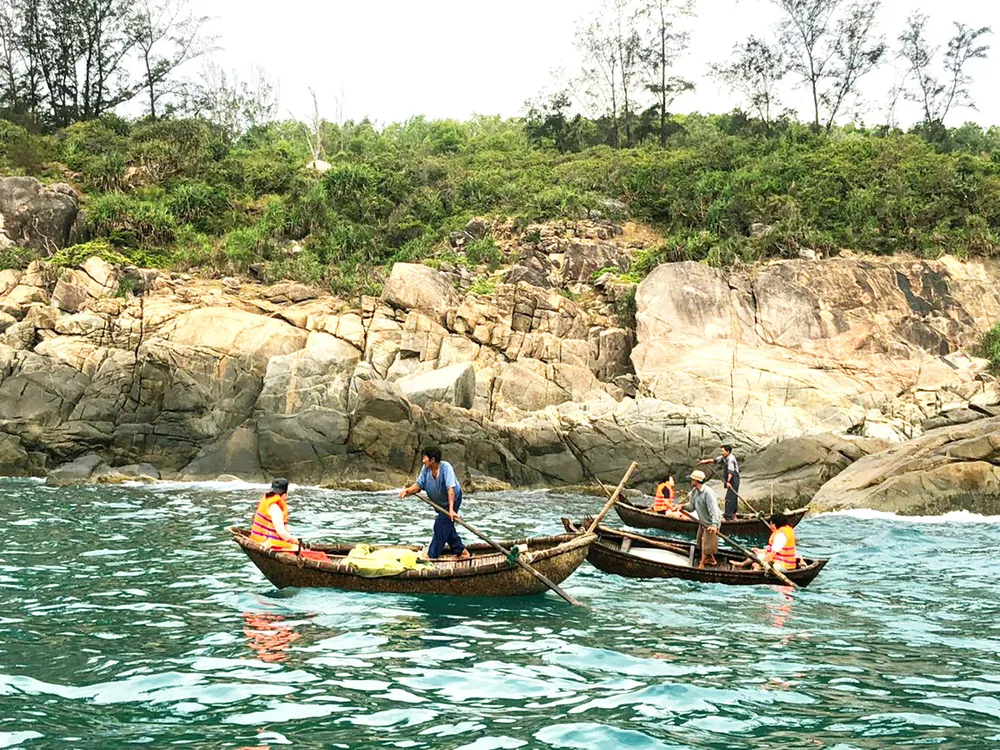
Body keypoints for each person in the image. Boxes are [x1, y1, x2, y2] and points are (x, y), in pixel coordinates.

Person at [398, 446, 471, 560]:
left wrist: (451, 510)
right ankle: (462, 552)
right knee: (446, 527)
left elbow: (450, 489)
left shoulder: (446, 468)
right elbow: (418, 485)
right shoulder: (426, 469)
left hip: (453, 500)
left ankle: (432, 556)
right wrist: (407, 491)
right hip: (440, 504)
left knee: (439, 525)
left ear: (432, 460)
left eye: (425, 458)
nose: (423, 461)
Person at [248, 478, 328, 561]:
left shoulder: (266, 501)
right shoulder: (276, 508)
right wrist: (293, 540)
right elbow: (281, 532)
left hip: (257, 539)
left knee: (297, 547)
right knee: (301, 550)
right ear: (284, 495)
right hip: (267, 542)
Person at [678, 469, 721, 568]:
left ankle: (701, 565)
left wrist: (714, 525)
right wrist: (682, 506)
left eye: (692, 479)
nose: (691, 481)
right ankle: (712, 560)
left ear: (696, 481)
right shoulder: (694, 491)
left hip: (710, 523)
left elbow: (714, 510)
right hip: (703, 522)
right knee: (700, 543)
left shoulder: (708, 493)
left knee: (706, 545)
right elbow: (691, 507)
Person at [699, 443, 740, 521]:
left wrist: (728, 482)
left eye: (723, 451)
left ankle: (728, 516)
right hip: (729, 478)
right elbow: (715, 460)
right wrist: (705, 461)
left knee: (730, 498)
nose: (721, 453)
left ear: (727, 452)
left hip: (733, 478)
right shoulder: (724, 457)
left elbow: (731, 472)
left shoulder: (730, 459)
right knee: (733, 496)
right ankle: (733, 514)